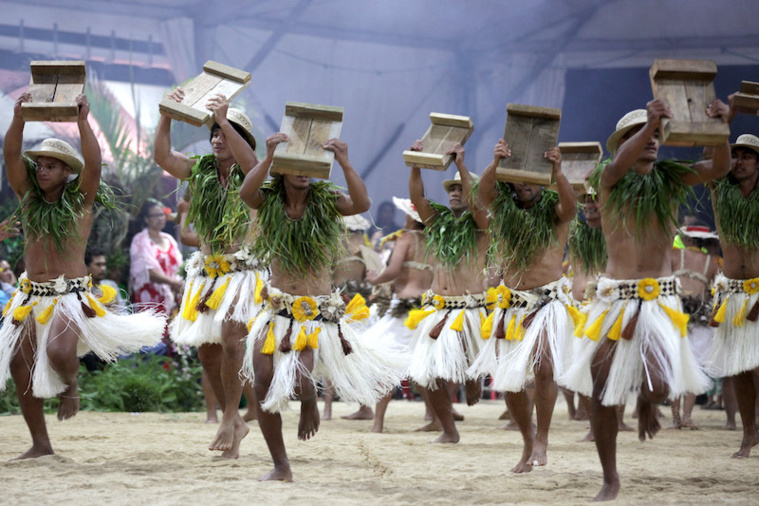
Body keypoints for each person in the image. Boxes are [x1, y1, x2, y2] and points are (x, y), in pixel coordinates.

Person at [560, 99, 730, 501]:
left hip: (659, 301)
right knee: (601, 391)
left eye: (657, 135)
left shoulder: (670, 180)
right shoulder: (608, 179)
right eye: (643, 135)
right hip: (614, 300)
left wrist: (721, 131)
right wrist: (649, 123)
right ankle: (610, 477)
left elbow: (717, 169)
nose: (652, 140)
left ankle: (649, 403)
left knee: (657, 387)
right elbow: (619, 165)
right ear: (624, 141)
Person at [0, 92, 164, 459]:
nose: (42, 170)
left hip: (68, 294)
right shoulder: (27, 197)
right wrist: (18, 117)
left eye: (51, 166)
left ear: (67, 173)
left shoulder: (81, 201)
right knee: (18, 364)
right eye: (39, 164)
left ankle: (71, 383)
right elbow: (12, 155)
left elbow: (94, 161)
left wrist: (82, 120)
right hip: (30, 294)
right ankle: (41, 444)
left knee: (59, 351)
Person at [240, 132, 404, 481]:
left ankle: (310, 401)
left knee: (300, 377)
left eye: (310, 166)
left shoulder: (326, 201)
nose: (303, 172)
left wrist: (344, 161)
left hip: (315, 312)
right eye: (294, 165)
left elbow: (361, 203)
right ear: (283, 169)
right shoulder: (270, 201)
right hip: (278, 309)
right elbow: (246, 194)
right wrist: (268, 156)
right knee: (261, 383)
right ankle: (281, 465)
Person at [154, 88, 261, 459]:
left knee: (234, 341)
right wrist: (166, 113)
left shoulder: (253, 172)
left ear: (240, 140)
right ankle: (235, 419)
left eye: (225, 132)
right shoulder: (200, 172)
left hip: (242, 272)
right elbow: (162, 156)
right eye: (214, 132)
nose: (217, 137)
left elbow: (251, 166)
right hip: (206, 273)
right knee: (209, 354)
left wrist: (222, 118)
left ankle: (231, 417)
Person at [469, 139, 576, 471]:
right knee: (508, 381)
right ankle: (528, 440)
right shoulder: (504, 210)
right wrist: (496, 160)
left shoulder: (556, 211)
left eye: (533, 178)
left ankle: (543, 438)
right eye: (519, 177)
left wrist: (558, 171)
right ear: (511, 179)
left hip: (547, 303)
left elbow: (572, 209)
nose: (526, 183)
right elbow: (481, 194)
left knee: (544, 369)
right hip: (511, 304)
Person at [405, 141, 489, 444]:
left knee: (460, 363)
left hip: (469, 310)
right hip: (437, 308)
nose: (455, 192)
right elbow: (417, 197)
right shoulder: (437, 223)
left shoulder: (483, 227)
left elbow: (479, 206)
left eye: (460, 188)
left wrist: (462, 167)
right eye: (451, 189)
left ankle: (474, 374)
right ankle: (449, 430)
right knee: (422, 375)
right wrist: (416, 162)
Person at [362, 197, 435, 433]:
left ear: (412, 218)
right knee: (419, 367)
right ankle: (436, 418)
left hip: (404, 313)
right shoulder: (435, 242)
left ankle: (378, 424)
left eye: (407, 214)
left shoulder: (406, 237)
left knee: (388, 365)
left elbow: (392, 270)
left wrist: (375, 278)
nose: (403, 218)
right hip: (427, 309)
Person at [707, 131, 759, 458]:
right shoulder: (720, 194)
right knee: (738, 368)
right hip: (732, 293)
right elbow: (712, 163)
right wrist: (720, 128)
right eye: (735, 155)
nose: (738, 161)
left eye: (747, 155)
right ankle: (748, 433)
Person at [670, 224, 720, 429]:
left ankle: (675, 419)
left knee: (675, 366)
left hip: (674, 314)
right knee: (695, 366)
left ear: (688, 239)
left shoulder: (673, 255)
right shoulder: (713, 262)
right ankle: (687, 416)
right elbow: (718, 288)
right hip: (700, 317)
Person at [129, 201, 183, 315]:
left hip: (171, 295)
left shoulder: (169, 239)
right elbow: (146, 271)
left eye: (162, 214)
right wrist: (173, 282)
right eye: (155, 215)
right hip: (149, 297)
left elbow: (178, 267)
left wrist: (177, 283)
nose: (160, 218)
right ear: (146, 219)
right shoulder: (140, 240)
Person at [85, 246, 127, 312]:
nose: (103, 268)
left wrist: (114, 309)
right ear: (87, 267)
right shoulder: (83, 291)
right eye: (98, 265)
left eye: (104, 264)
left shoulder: (111, 285)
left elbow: (124, 311)